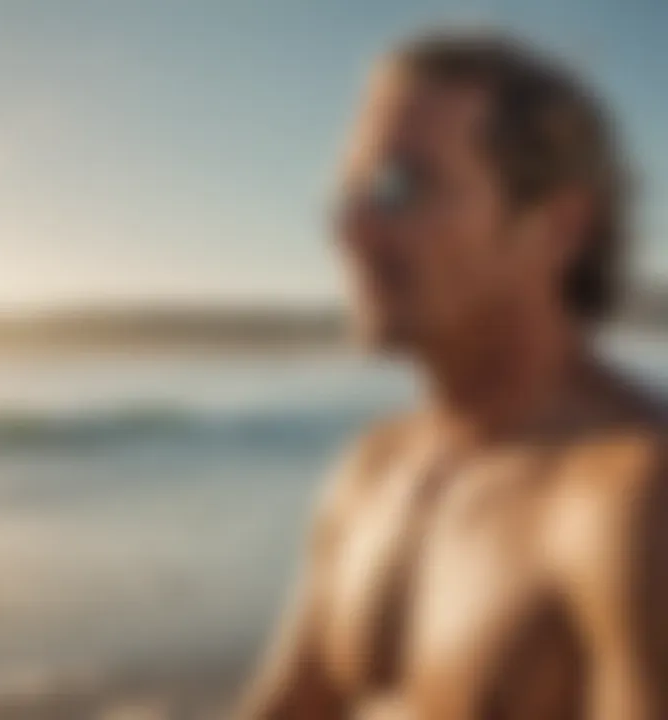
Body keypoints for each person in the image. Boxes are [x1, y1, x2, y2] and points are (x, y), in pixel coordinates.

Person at [237, 31, 667, 719]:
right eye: (349, 192)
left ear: (560, 225)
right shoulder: (372, 469)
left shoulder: (628, 504)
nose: (348, 228)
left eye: (399, 187)